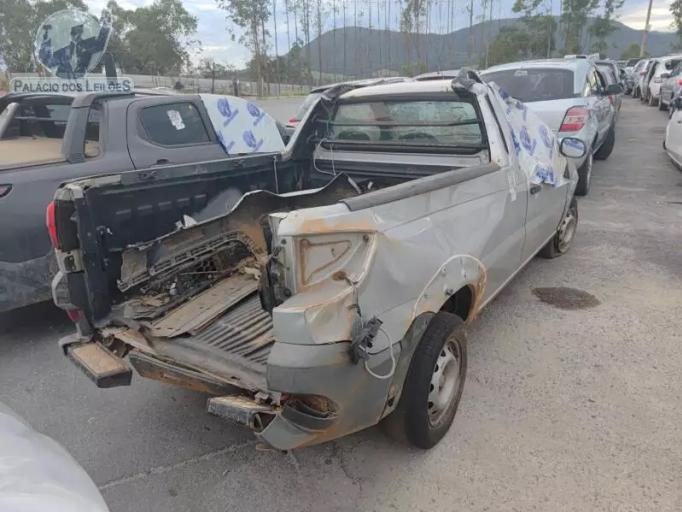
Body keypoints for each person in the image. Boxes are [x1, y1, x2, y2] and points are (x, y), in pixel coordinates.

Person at [38, 21, 111, 79]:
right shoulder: (63, 51)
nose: (76, 35)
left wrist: (105, 27)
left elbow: (100, 44)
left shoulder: (87, 45)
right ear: (70, 34)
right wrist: (46, 39)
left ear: (82, 33)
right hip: (63, 84)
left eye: (79, 32)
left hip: (79, 83)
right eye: (73, 32)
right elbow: (48, 62)